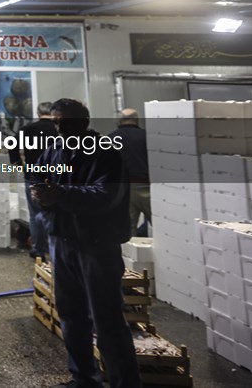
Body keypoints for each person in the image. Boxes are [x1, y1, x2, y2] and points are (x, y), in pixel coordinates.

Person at [31, 98, 141, 388]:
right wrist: (42, 198)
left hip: (95, 245)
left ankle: (124, 383)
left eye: (63, 122)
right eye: (54, 122)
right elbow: (43, 183)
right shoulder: (54, 150)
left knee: (106, 320)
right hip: (62, 242)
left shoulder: (105, 152)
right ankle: (83, 379)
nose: (57, 128)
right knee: (71, 315)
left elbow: (105, 195)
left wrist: (60, 196)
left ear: (82, 122)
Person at [8, 101, 56, 259]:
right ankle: (55, 248)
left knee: (35, 214)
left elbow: (12, 145)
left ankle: (38, 250)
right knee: (56, 212)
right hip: (56, 175)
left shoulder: (28, 129)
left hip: (33, 174)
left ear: (38, 113)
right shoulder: (58, 129)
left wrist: (18, 164)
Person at [109, 108, 150, 237]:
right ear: (136, 120)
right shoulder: (147, 137)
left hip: (122, 190)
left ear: (119, 121)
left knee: (128, 230)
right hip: (147, 188)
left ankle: (131, 256)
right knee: (162, 226)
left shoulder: (109, 139)